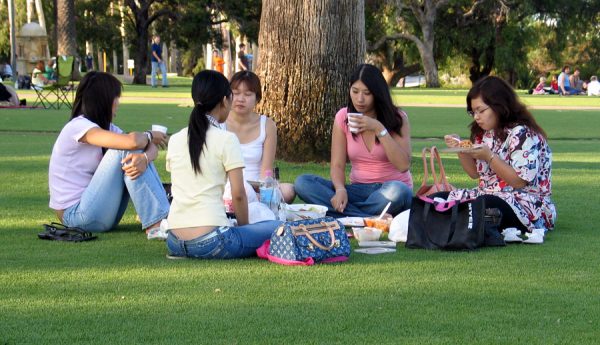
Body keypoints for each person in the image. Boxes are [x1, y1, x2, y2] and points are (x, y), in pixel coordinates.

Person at [165, 70, 282, 259]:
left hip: (174, 241)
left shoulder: (176, 139)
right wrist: (244, 230)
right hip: (211, 240)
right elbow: (238, 194)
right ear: (224, 100)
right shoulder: (226, 139)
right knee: (277, 226)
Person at [48, 72, 170, 238]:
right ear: (104, 100)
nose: (118, 103)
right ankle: (158, 222)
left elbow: (147, 148)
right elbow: (133, 143)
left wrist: (144, 158)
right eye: (116, 98)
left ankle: (160, 218)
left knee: (132, 152)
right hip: (76, 217)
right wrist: (149, 135)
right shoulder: (78, 127)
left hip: (100, 213)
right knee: (127, 147)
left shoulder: (108, 128)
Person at [443, 76, 555, 244]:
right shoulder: (486, 133)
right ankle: (452, 221)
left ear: (499, 105)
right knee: (442, 197)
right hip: (489, 194)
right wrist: (460, 149)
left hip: (527, 204)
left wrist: (489, 157)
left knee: (482, 204)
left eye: (481, 110)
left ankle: (454, 222)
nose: (476, 117)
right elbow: (474, 174)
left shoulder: (522, 133)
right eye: (473, 112)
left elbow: (519, 182)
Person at [294, 64, 413, 218]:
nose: (360, 99)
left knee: (399, 191)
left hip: (390, 189)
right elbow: (337, 165)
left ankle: (348, 215)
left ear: (377, 93)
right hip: (357, 190)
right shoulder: (343, 117)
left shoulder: (397, 118)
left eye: (367, 93)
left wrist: (378, 129)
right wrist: (340, 190)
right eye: (355, 91)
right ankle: (369, 217)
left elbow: (403, 165)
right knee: (303, 183)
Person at [223, 71, 296, 203]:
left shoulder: (267, 125)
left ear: (257, 99)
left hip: (256, 187)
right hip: (226, 186)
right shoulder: (219, 122)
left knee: (288, 190)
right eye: (236, 93)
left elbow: (266, 170)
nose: (240, 99)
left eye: (247, 94)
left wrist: (262, 192)